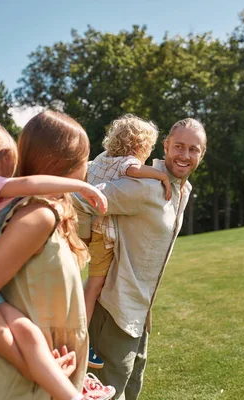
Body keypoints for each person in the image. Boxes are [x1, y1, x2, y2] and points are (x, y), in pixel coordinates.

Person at [0, 111, 115, 400]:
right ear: (68, 162)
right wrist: (36, 370)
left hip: (31, 384)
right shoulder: (38, 215)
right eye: (86, 158)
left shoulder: (47, 213)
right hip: (6, 387)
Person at [73, 118, 207, 399]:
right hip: (112, 311)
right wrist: (83, 235)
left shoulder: (182, 190)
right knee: (102, 395)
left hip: (139, 315)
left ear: (201, 154)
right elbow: (82, 196)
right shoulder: (146, 186)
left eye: (193, 149)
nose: (184, 155)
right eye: (179, 146)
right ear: (166, 146)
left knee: (130, 392)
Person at [82, 114, 171, 369]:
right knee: (94, 287)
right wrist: (161, 176)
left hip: (93, 232)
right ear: (139, 145)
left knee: (94, 283)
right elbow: (135, 170)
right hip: (101, 236)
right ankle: (81, 338)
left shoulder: (101, 159)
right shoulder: (126, 163)